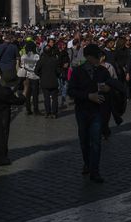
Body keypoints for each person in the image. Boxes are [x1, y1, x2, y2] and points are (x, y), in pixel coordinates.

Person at [67, 44, 113, 183]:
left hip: (97, 111)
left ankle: (95, 171)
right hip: (82, 110)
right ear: (88, 57)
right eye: (97, 57)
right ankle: (87, 163)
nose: (100, 59)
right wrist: (88, 96)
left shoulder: (103, 71)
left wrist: (108, 88)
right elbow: (71, 91)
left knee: (96, 142)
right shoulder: (78, 71)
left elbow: (113, 85)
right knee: (84, 141)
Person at [35, 46, 60, 118]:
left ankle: (47, 112)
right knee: (54, 98)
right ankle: (54, 113)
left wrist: (41, 75)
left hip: (44, 81)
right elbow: (58, 71)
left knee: (46, 98)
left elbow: (36, 71)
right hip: (53, 80)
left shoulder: (41, 60)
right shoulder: (55, 60)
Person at [19, 39, 41, 115]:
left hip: (27, 76)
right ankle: (36, 109)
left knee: (27, 94)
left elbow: (22, 65)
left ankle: (28, 109)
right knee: (35, 94)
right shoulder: (37, 56)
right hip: (35, 76)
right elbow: (39, 66)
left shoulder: (23, 56)